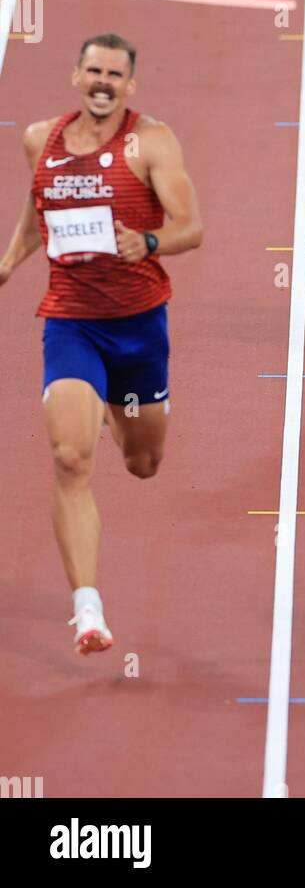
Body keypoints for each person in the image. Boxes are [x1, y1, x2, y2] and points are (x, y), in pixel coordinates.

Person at [0, 33, 203, 653]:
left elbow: (190, 228)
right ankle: (87, 610)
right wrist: (8, 261)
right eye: (94, 70)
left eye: (115, 74)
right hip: (71, 322)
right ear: (76, 74)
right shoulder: (42, 138)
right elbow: (40, 214)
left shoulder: (152, 142)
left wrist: (146, 243)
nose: (103, 81)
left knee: (143, 464)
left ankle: (126, 415)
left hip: (139, 328)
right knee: (69, 459)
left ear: (129, 84)